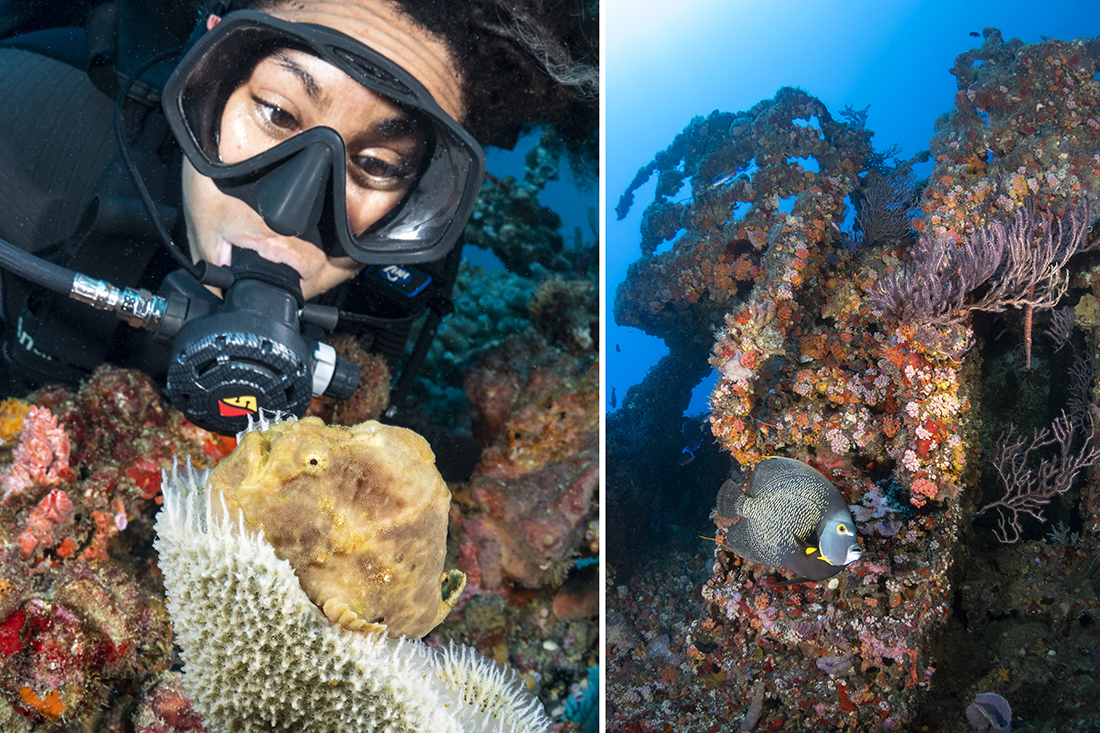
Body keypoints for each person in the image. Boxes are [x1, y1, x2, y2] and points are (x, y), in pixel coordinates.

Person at [0, 0, 597, 436]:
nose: (288, 216)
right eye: (277, 112)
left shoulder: (392, 296)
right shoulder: (26, 124)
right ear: (205, 79)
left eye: (378, 165)